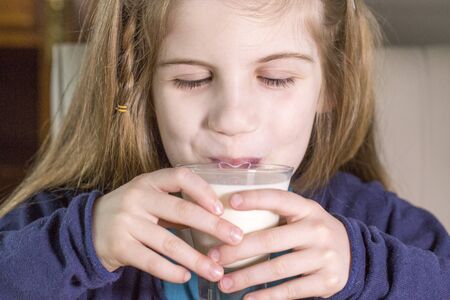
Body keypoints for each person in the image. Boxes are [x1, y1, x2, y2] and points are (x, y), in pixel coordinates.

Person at [0, 0, 449, 299]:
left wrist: (366, 270)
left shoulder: (376, 229)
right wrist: (78, 246)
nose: (232, 119)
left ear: (328, 83)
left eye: (276, 78)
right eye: (191, 80)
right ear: (138, 83)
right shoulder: (73, 228)